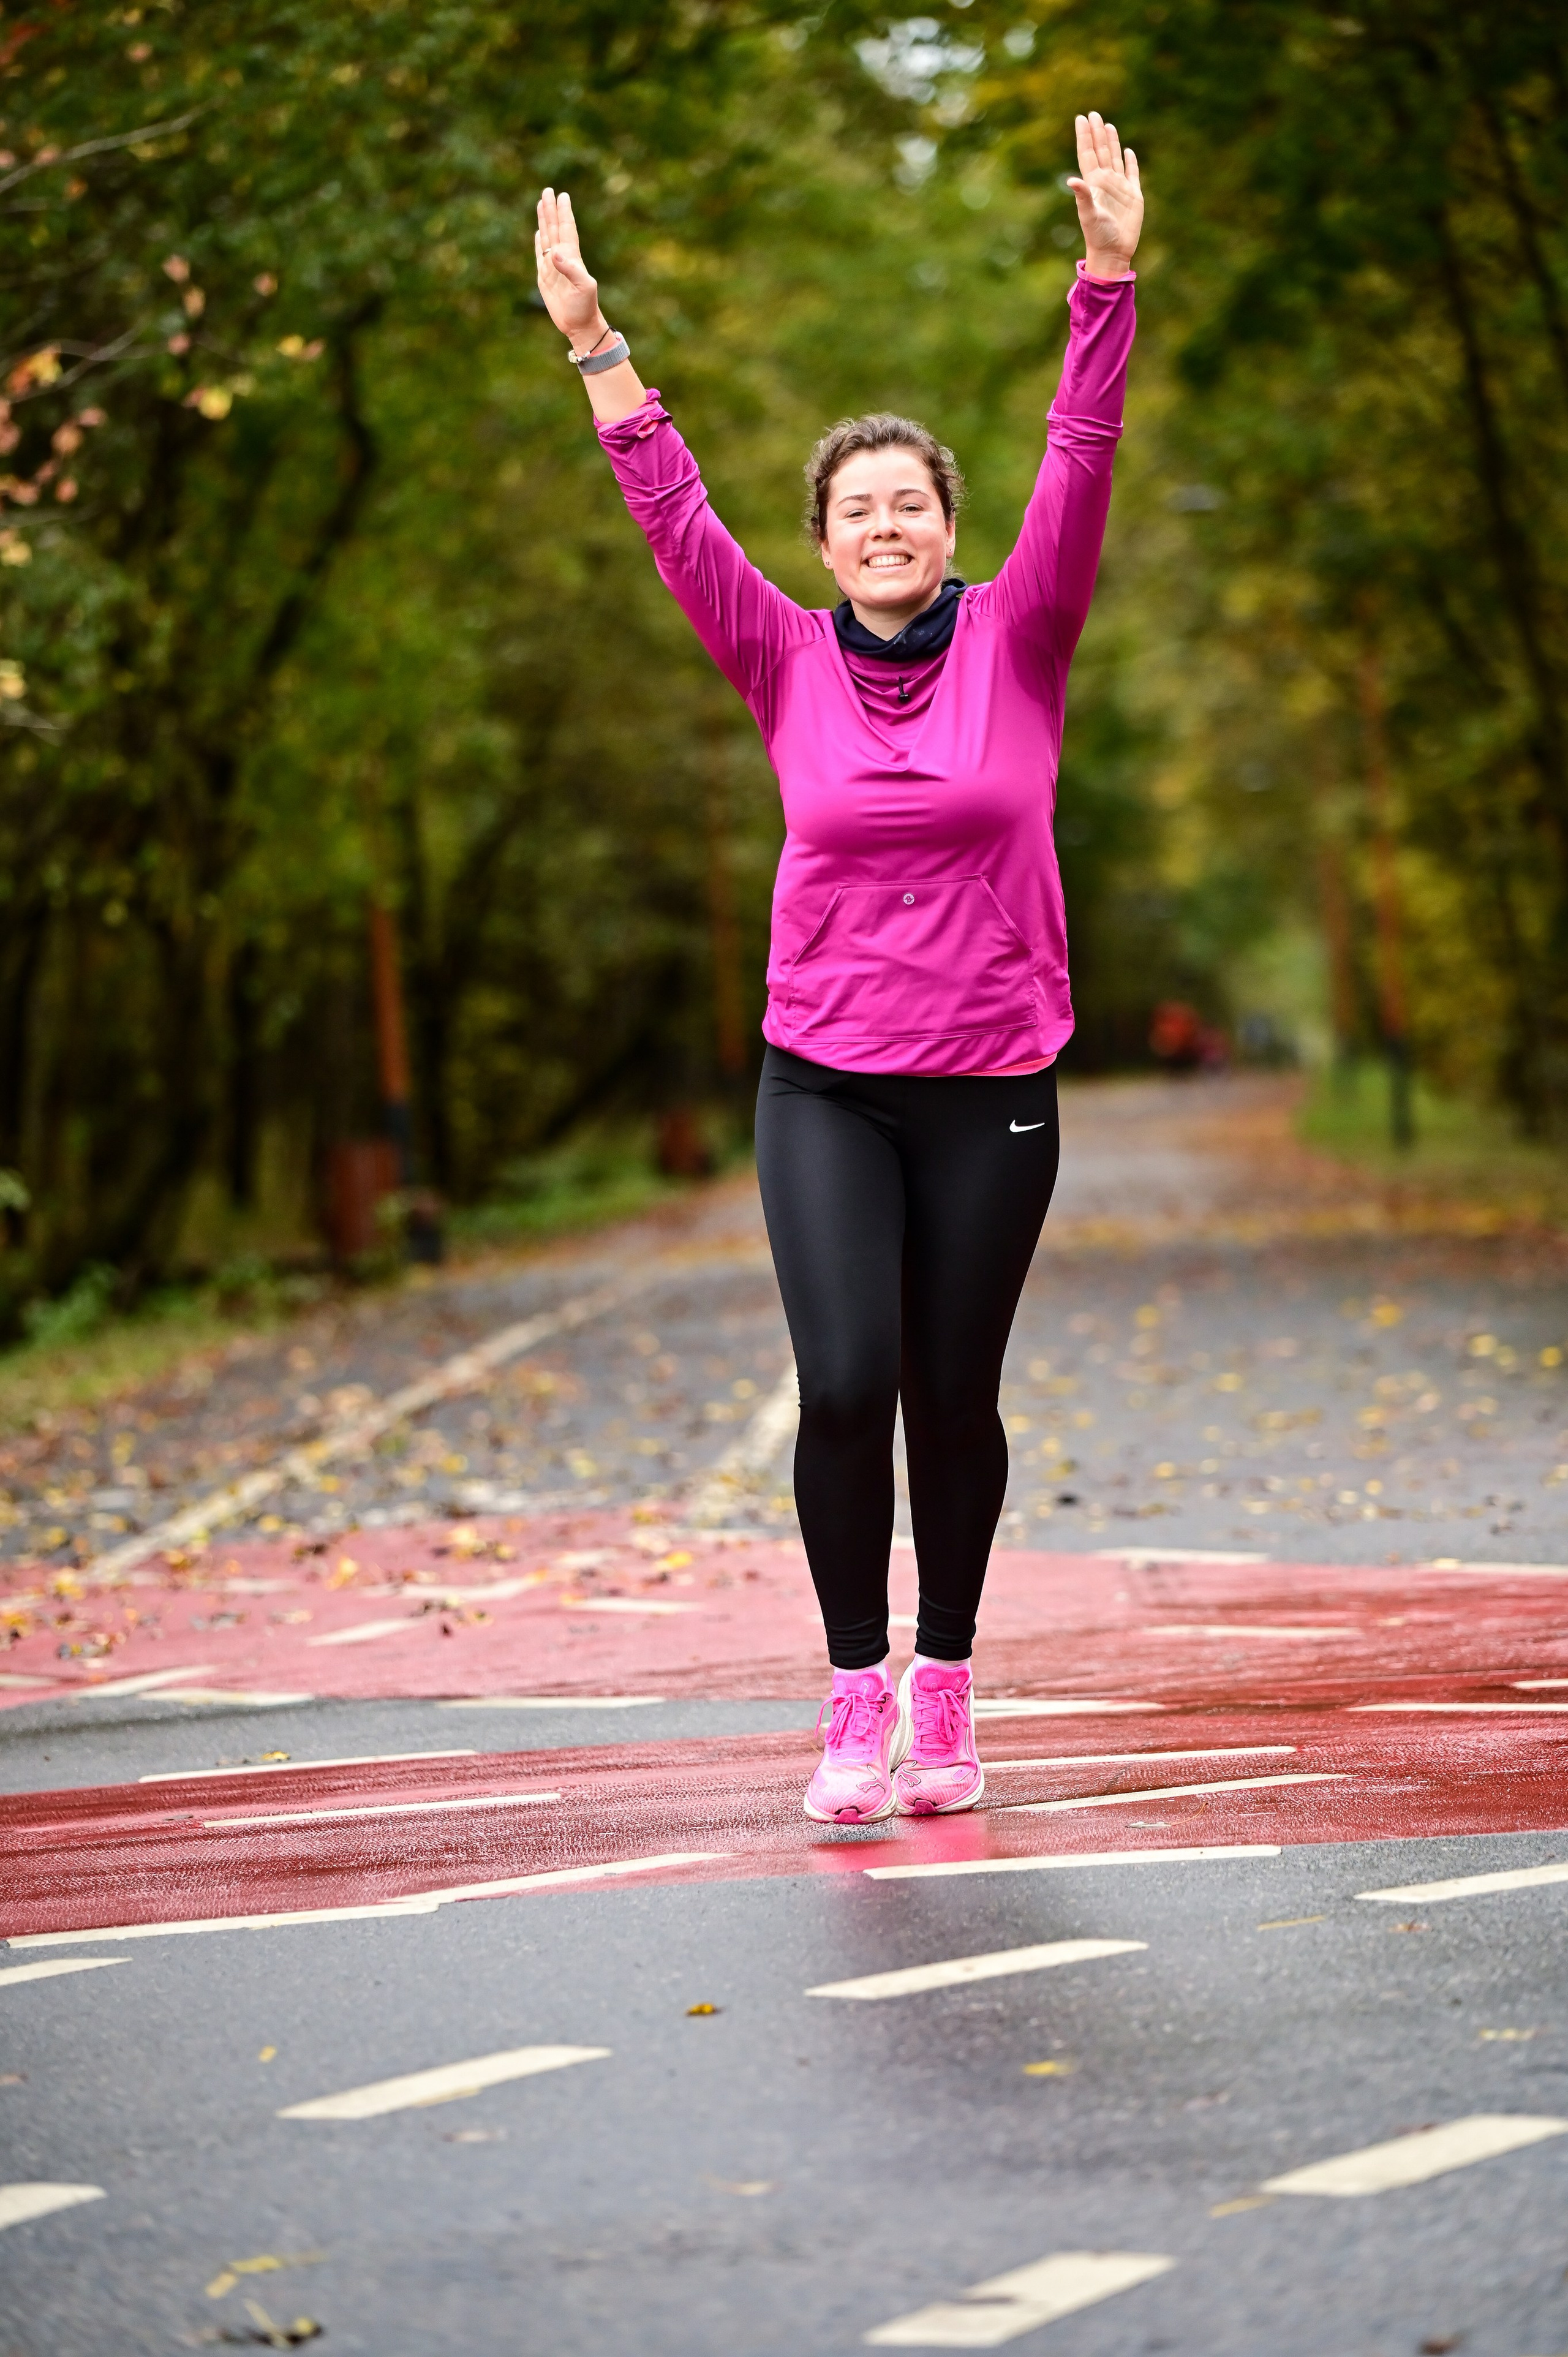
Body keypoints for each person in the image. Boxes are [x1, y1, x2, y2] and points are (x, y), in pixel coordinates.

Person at [535, 113, 1143, 1825]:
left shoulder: (1025, 636)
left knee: (955, 1394)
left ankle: (948, 1685)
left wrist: (1105, 278)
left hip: (993, 1089)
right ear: (824, 544)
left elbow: (1082, 450)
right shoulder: (780, 658)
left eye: (910, 505)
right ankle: (853, 1692)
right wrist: (598, 346)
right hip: (825, 1081)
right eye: (856, 510)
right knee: (847, 1382)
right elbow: (674, 513)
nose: (884, 526)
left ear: (953, 529)